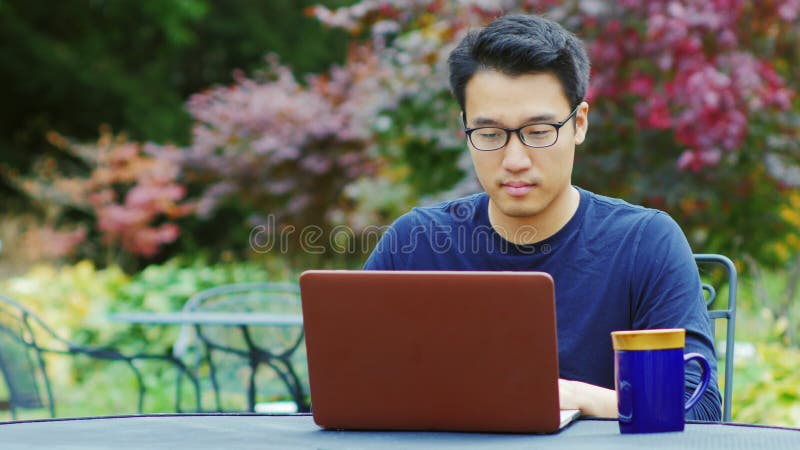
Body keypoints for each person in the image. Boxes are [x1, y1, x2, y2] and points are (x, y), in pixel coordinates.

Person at [363, 14, 722, 420]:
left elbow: (699, 407)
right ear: (465, 128)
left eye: (538, 131)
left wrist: (572, 396)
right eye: (489, 134)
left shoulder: (644, 243)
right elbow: (348, 387)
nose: (514, 160)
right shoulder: (417, 244)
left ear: (579, 124)